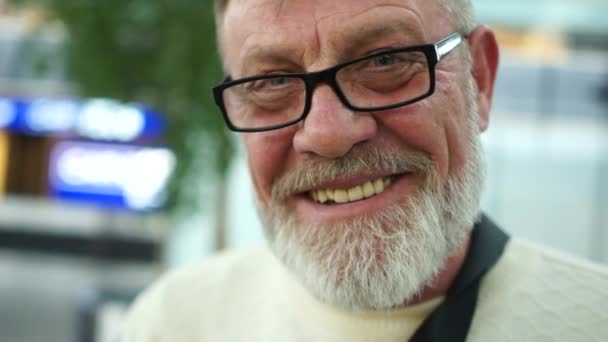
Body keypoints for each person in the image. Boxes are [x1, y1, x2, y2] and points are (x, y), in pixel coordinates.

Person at [122, 0, 608, 341]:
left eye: (385, 60)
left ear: (478, 80)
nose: (328, 134)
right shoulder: (172, 324)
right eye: (271, 81)